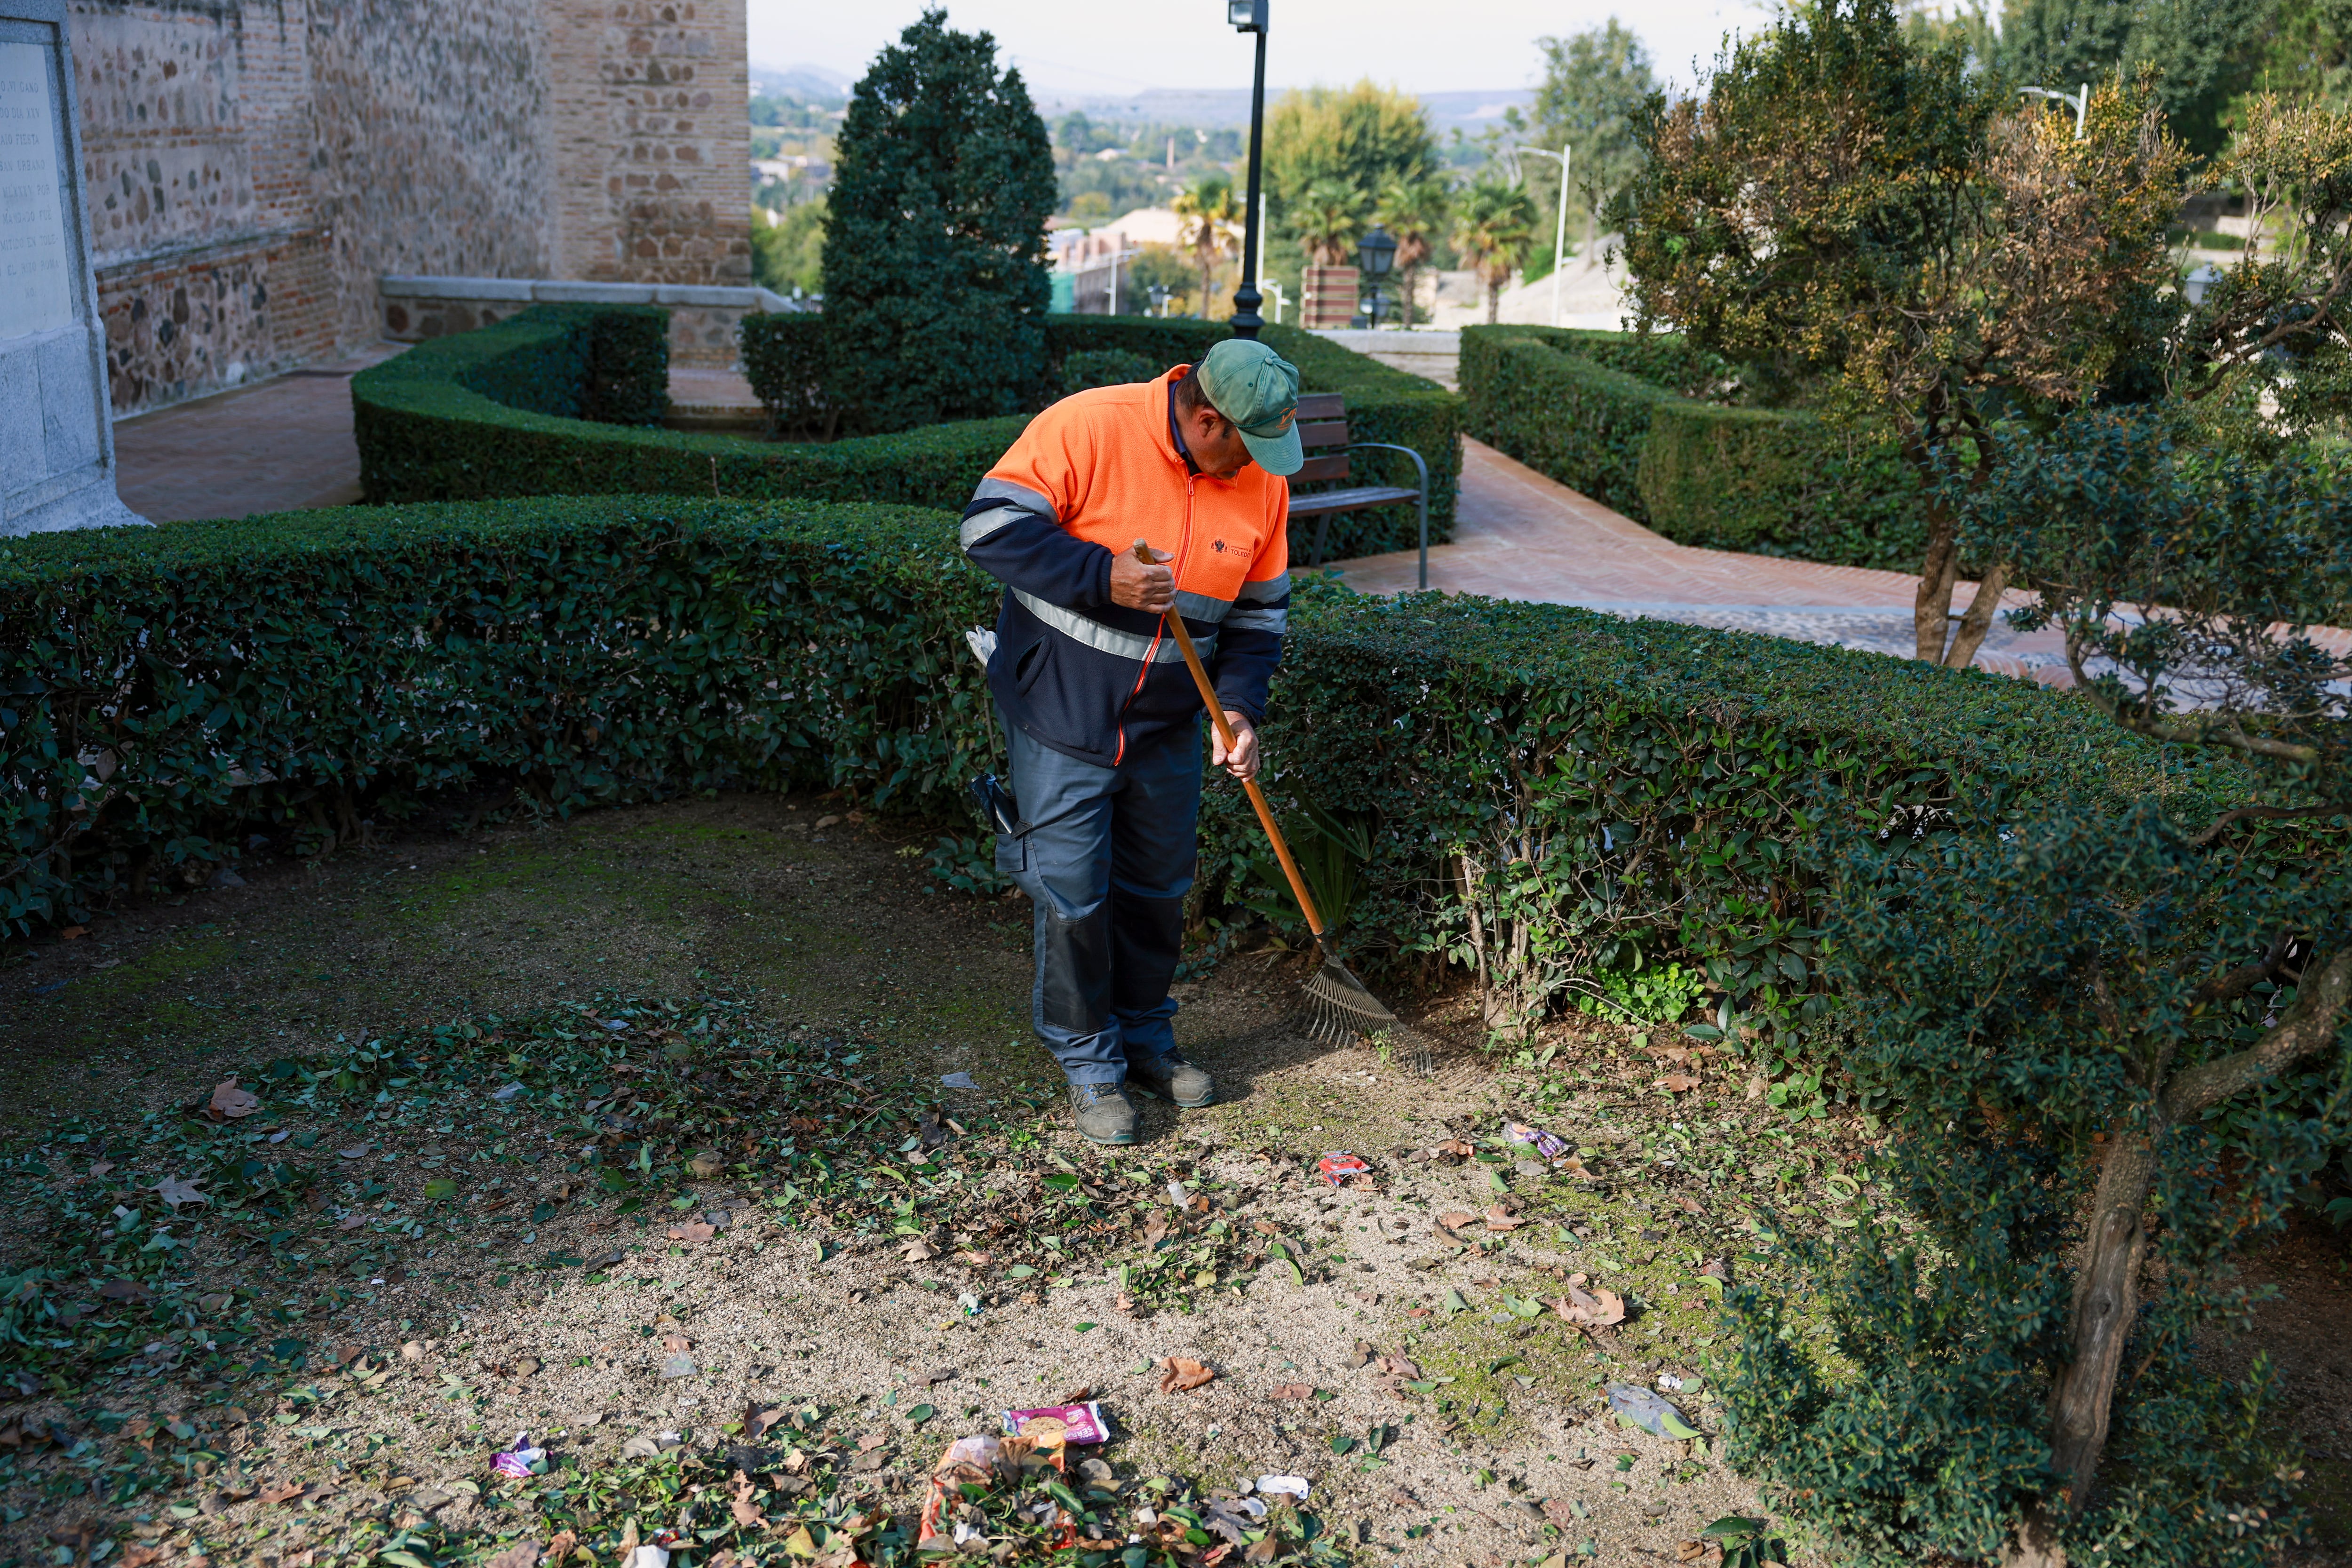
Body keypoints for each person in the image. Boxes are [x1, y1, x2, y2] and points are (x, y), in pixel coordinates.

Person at [959, 338, 1301, 1145]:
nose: (1258, 469)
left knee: (1158, 886)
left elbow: (1259, 619)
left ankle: (1147, 1036)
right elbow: (987, 529)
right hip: (1060, 709)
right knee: (1074, 892)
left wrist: (1241, 711)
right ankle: (1089, 1061)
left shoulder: (1261, 484)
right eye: (1248, 449)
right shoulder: (1090, 426)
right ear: (1207, 419)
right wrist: (1100, 575)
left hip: (1171, 724)